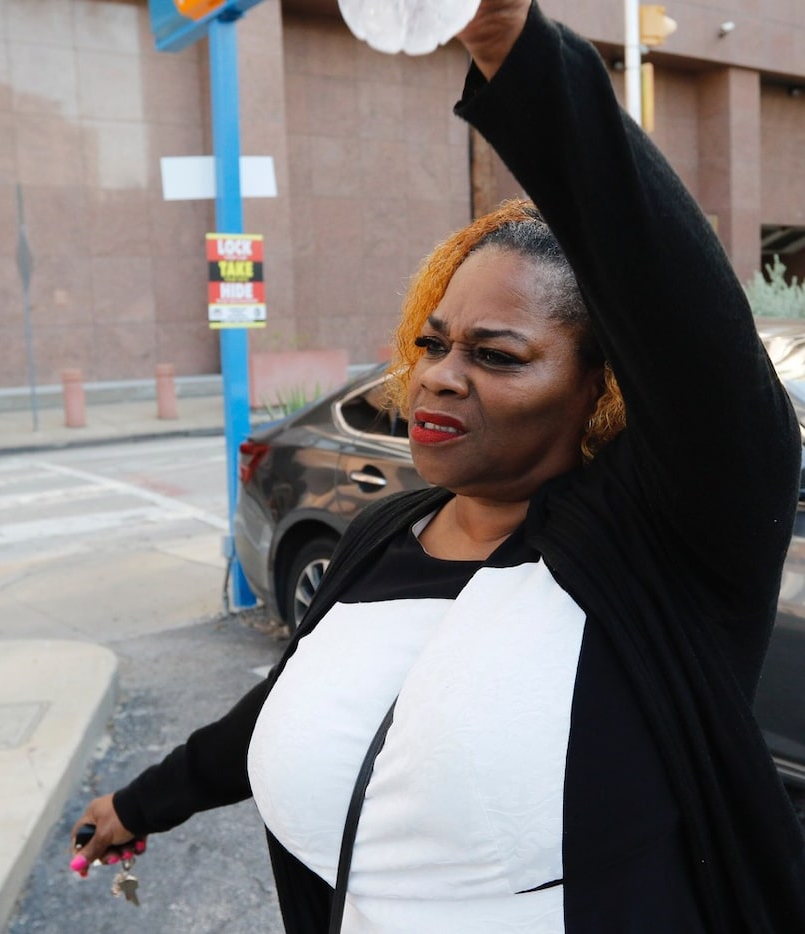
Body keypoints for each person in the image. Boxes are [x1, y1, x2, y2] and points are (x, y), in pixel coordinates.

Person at [70, 2, 805, 930]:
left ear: (601, 390)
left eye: (496, 355)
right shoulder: (390, 530)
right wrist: (142, 803)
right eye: (433, 342)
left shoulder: (666, 546)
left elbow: (690, 328)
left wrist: (508, 40)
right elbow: (295, 699)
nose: (437, 378)